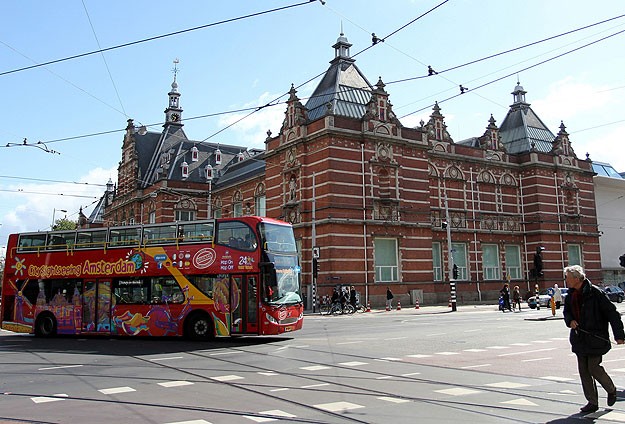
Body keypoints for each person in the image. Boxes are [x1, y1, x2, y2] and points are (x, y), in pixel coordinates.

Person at [563, 265, 624, 414]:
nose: (566, 281)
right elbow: (567, 312)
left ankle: (611, 389)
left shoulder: (595, 293)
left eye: (567, 278)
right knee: (583, 371)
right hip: (579, 337)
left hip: (595, 337)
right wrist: (570, 321)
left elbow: (612, 313)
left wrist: (619, 335)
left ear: (576, 279)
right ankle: (592, 402)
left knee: (593, 367)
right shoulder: (571, 294)